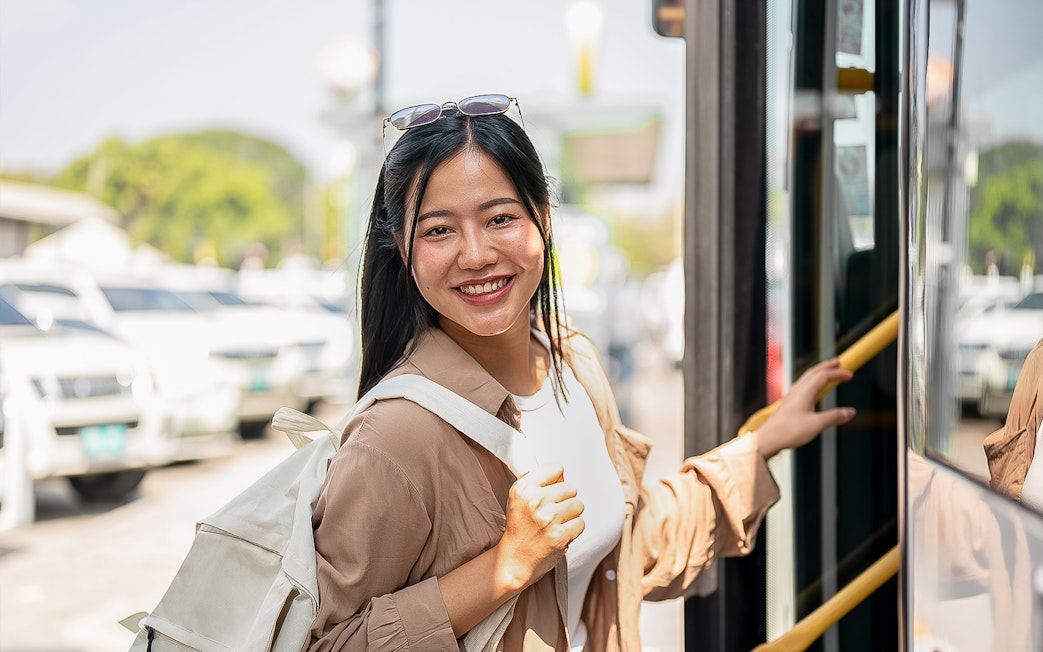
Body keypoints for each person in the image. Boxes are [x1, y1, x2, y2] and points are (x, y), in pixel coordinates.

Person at [307, 94, 855, 651]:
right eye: (439, 230)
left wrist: (759, 445)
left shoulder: (574, 365)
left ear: (543, 217)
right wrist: (507, 565)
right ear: (402, 247)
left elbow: (632, 541)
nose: (475, 254)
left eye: (500, 218)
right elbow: (329, 644)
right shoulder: (394, 438)